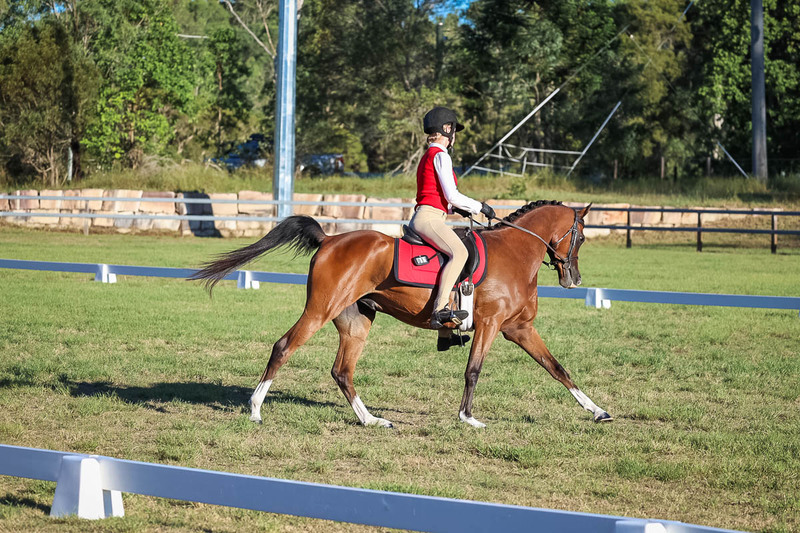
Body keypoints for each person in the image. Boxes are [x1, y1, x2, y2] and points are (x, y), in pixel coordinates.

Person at [410, 106, 495, 330]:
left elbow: (437, 194)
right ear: (447, 129)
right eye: (453, 130)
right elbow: (452, 194)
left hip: (432, 215)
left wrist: (457, 209)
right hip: (429, 218)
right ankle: (438, 310)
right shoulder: (441, 155)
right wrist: (480, 207)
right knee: (460, 253)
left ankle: (446, 332)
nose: (454, 135)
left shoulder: (429, 155)